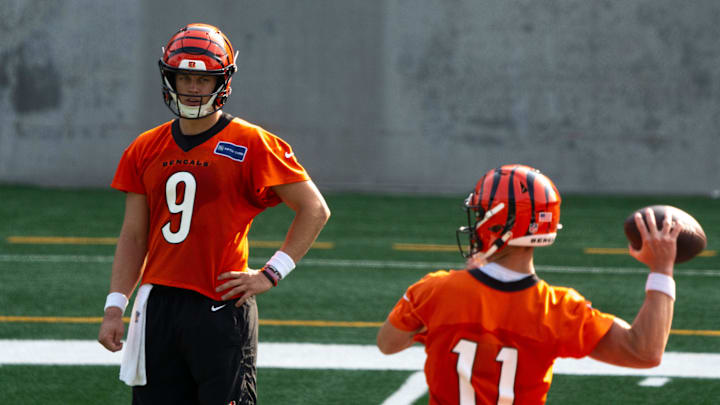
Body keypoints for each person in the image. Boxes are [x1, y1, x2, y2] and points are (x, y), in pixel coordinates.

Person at [97, 23, 330, 404]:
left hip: (220, 304)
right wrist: (114, 306)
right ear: (169, 77)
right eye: (184, 77)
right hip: (158, 305)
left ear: (222, 82)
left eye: (203, 79)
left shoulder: (251, 142)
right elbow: (134, 235)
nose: (192, 88)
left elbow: (314, 209)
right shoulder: (144, 147)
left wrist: (271, 273)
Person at [377, 164, 680, 405]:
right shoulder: (560, 310)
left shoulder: (435, 291)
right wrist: (662, 268)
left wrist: (434, 328)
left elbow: (388, 344)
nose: (476, 222)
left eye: (482, 213)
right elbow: (645, 352)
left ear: (500, 222)